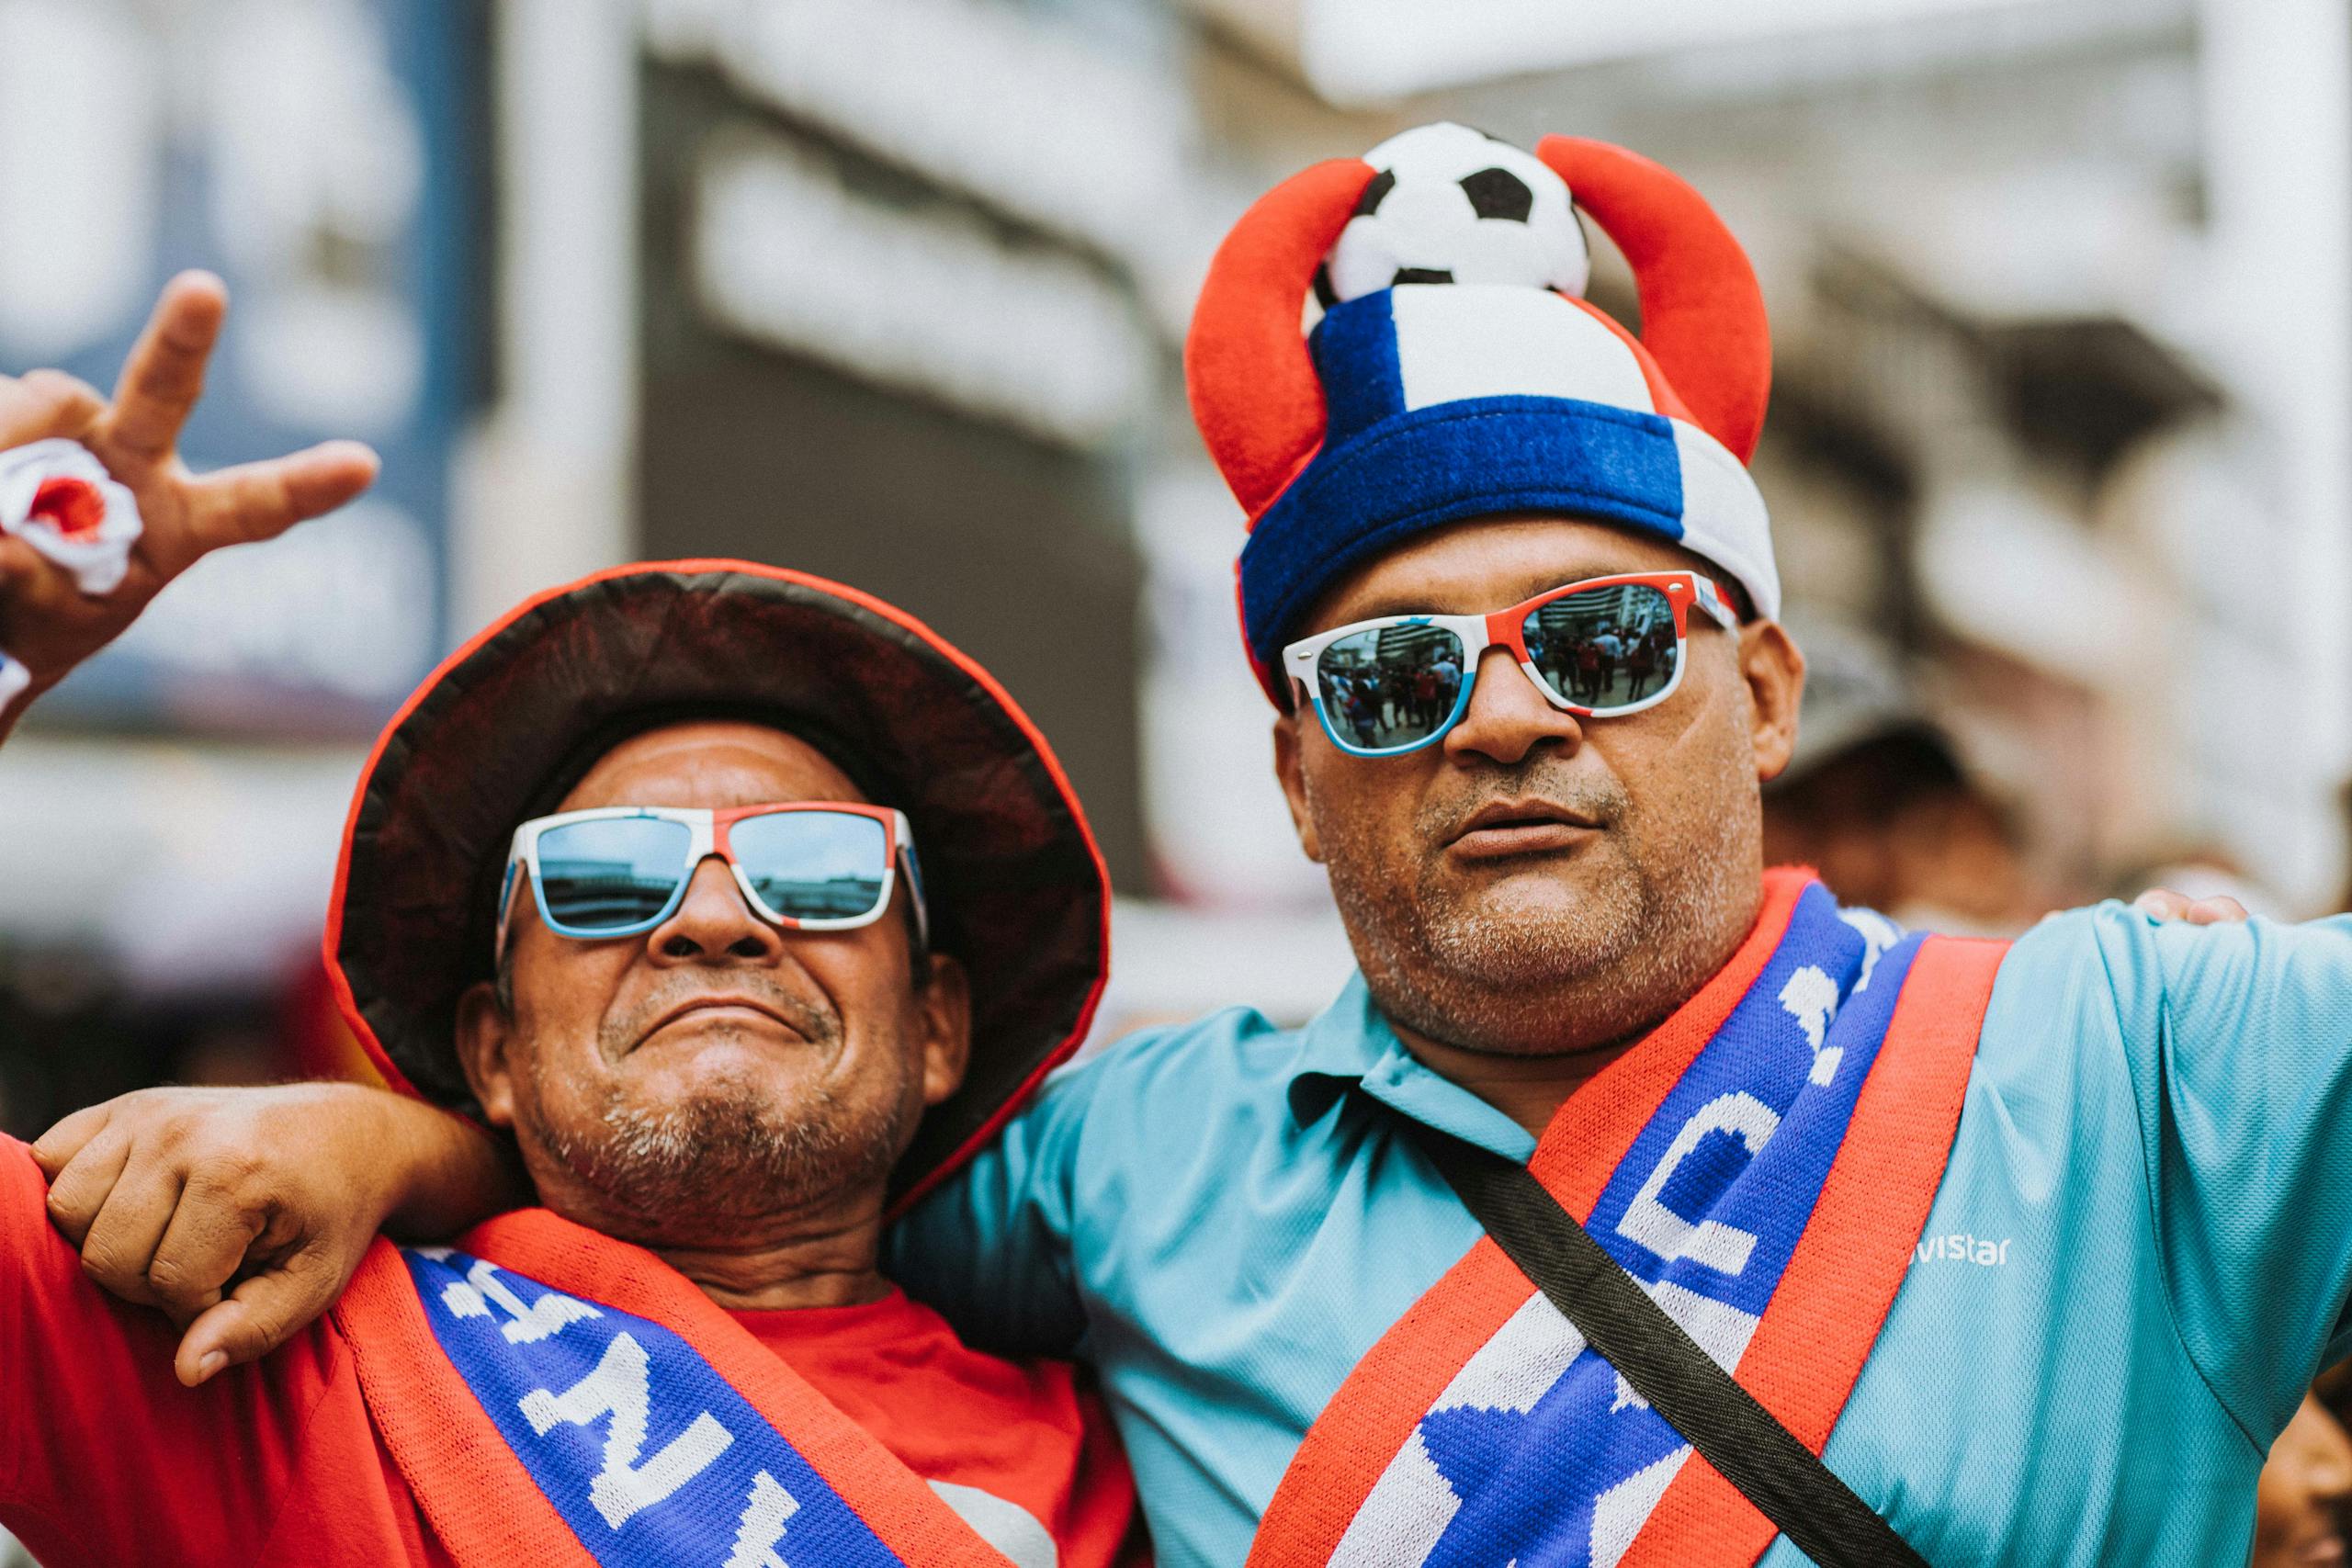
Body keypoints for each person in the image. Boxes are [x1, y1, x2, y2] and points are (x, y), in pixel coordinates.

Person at [28, 125, 2352, 1567]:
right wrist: (385, 1142)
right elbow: (718, 1147)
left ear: (1758, 685)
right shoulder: (1124, 1163)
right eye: (1385, 675)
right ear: (1293, 770)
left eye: (1608, 637)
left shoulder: (2151, 1059)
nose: (1509, 712)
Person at [0, 281, 1138, 1565]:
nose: (715, 917)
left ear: (937, 1026)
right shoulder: (264, 1357)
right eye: (606, 873)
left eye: (817, 869)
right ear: (491, 1051)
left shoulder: (1140, 1459)